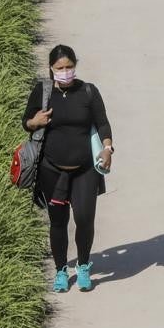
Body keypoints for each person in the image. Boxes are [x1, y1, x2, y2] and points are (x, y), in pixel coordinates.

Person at [22, 44, 113, 293]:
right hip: (52, 171)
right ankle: (61, 270)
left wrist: (107, 149)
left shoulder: (88, 92)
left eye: (69, 67)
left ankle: (83, 265)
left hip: (85, 170)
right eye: (59, 68)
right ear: (51, 69)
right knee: (58, 222)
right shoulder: (42, 91)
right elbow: (26, 121)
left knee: (84, 219)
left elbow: (103, 123)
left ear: (75, 66)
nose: (65, 72)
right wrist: (35, 121)